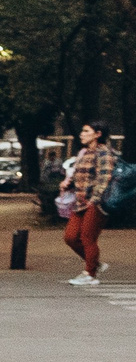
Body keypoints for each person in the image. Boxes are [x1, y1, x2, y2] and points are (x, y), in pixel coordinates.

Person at [61, 120, 117, 287]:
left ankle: (90, 274)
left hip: (96, 203)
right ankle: (96, 263)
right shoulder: (83, 152)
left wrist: (95, 199)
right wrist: (68, 184)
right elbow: (78, 175)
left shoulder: (104, 153)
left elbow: (104, 179)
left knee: (87, 237)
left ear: (98, 134)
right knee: (70, 237)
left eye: (86, 131)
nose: (82, 134)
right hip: (80, 202)